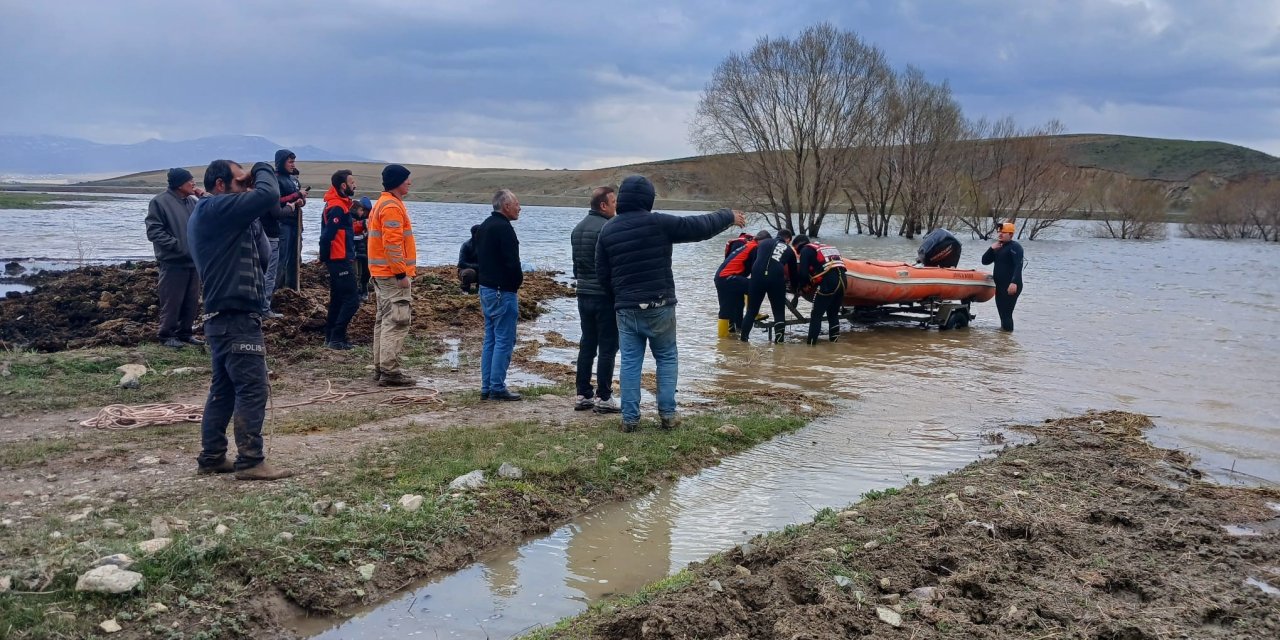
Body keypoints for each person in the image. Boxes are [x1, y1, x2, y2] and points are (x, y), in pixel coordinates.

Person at [595, 175, 745, 432]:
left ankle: (630, 419)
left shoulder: (608, 230)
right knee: (666, 357)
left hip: (627, 307)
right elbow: (699, 226)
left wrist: (618, 300)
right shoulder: (659, 223)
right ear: (648, 198)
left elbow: (602, 275)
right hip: (661, 304)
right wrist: (728, 215)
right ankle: (668, 415)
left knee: (631, 361)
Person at [187, 159, 292, 481]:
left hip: (229, 315)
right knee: (252, 387)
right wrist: (261, 169)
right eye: (239, 181)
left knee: (224, 388)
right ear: (220, 185)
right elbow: (266, 196)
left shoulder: (224, 216)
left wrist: (251, 208)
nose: (246, 188)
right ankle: (250, 460)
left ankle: (212, 457)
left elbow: (262, 254)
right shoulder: (212, 209)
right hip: (233, 316)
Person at [570, 186, 620, 413]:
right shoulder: (608, 228)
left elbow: (575, 265)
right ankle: (604, 396)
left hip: (583, 294)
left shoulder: (578, 228)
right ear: (603, 205)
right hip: (603, 296)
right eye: (614, 202)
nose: (616, 206)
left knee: (587, 344)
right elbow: (611, 266)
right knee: (608, 346)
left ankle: (582, 393)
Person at [368, 164, 417, 386]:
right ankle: (390, 371)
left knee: (384, 319)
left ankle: (381, 367)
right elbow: (393, 244)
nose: (409, 182)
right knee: (397, 320)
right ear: (398, 181)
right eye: (407, 179)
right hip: (391, 275)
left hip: (381, 273)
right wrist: (400, 273)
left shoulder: (383, 203)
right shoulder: (391, 207)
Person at [145, 167, 205, 348]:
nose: (194, 183)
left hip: (193, 261)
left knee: (191, 301)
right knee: (172, 300)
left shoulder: (193, 202)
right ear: (179, 184)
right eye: (190, 180)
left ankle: (185, 333)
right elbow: (154, 231)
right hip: (172, 262)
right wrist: (178, 246)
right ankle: (166, 335)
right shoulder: (159, 202)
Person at [477, 189, 524, 401]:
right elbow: (512, 263)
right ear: (506, 206)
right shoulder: (504, 229)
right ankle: (496, 387)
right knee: (504, 340)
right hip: (501, 291)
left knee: (491, 339)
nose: (519, 208)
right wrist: (516, 283)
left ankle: (487, 386)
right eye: (516, 204)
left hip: (486, 289)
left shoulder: (486, 225)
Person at [319, 170, 360, 350]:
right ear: (343, 186)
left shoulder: (340, 204)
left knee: (337, 298)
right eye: (352, 182)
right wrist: (325, 257)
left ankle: (331, 337)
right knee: (352, 299)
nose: (354, 185)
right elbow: (327, 236)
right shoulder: (337, 207)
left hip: (339, 258)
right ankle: (336, 336)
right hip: (339, 259)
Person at [741, 228, 799, 343]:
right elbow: (793, 274)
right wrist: (795, 289)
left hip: (757, 277)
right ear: (788, 240)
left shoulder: (764, 243)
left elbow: (755, 260)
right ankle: (779, 342)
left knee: (752, 311)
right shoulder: (789, 249)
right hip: (776, 278)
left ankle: (743, 340)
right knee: (778, 312)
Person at [794, 235, 847, 345]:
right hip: (843, 281)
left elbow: (803, 274)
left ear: (799, 245)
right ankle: (834, 343)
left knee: (816, 315)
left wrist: (801, 287)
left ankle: (811, 346)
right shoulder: (826, 247)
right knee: (833, 314)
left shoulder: (805, 250)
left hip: (829, 282)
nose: (798, 253)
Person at [713, 231, 761, 335]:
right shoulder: (754, 247)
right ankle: (754, 314)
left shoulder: (743, 245)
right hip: (730, 277)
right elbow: (755, 270)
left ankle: (724, 341)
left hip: (721, 277)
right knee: (755, 287)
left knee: (728, 309)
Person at [274, 149, 307, 293]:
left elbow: (298, 200)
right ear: (281, 162)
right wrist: (297, 195)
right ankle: (275, 290)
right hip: (283, 224)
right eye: (290, 162)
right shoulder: (276, 180)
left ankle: (292, 289)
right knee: (281, 258)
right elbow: (277, 201)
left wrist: (301, 200)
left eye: (294, 161)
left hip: (295, 223)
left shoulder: (293, 180)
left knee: (295, 258)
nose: (293, 165)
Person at [981, 221, 1024, 332]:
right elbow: (984, 261)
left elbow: (1018, 266)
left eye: (1004, 232)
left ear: (1011, 234)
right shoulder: (998, 247)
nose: (1000, 234)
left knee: (1006, 314)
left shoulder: (1015, 247)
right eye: (999, 232)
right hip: (1000, 286)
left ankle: (1007, 337)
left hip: (1011, 285)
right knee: (1002, 313)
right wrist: (992, 248)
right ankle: (1004, 340)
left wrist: (1014, 282)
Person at [352, 196, 372, 302]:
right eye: (363, 210)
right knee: (357, 273)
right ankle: (359, 292)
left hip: (365, 250)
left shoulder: (368, 219)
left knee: (366, 272)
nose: (364, 213)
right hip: (357, 250)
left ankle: (364, 290)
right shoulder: (355, 219)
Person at [457, 224, 480, 294]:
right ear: (474, 234)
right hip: (466, 269)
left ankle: (480, 289)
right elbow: (461, 263)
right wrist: (477, 266)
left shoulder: (487, 245)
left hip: (482, 271)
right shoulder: (466, 245)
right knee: (469, 273)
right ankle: (465, 290)